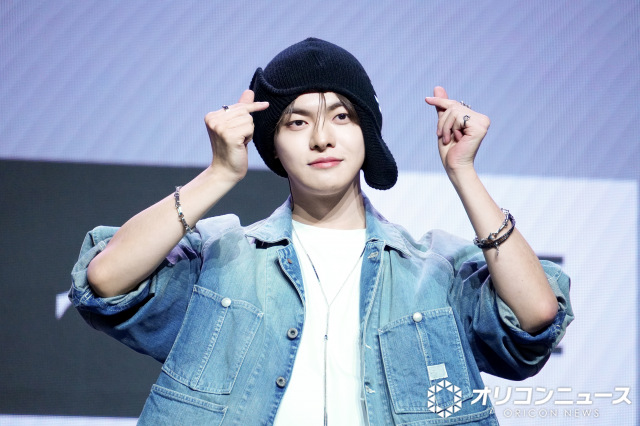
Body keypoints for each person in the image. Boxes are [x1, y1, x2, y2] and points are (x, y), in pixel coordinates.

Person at [70, 38, 572, 425]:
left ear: (366, 133)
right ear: (272, 144)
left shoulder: (434, 269)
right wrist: (220, 172)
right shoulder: (222, 257)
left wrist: (463, 171)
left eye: (342, 116)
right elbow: (106, 281)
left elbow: (535, 315)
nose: (322, 138)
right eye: (296, 122)